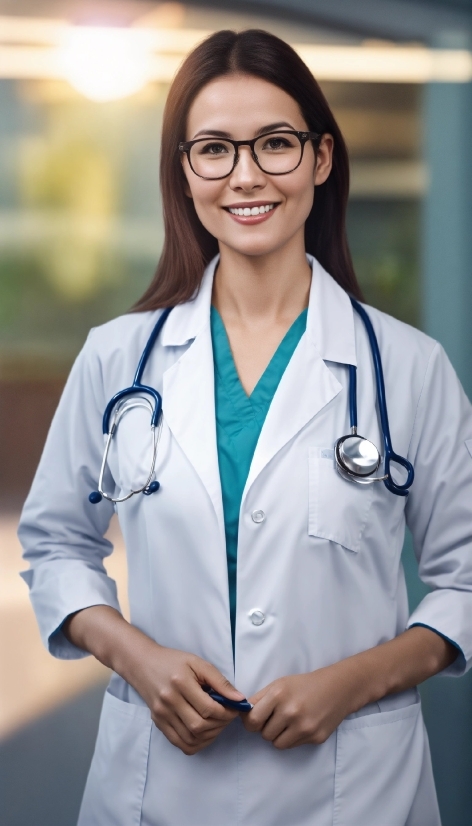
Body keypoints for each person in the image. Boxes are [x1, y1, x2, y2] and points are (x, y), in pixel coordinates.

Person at [18, 29, 472, 826]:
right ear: (185, 173)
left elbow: (467, 577)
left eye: (275, 144)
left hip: (353, 789)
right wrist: (137, 657)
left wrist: (354, 681)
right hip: (154, 788)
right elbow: (57, 544)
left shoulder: (409, 367)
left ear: (322, 159)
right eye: (215, 150)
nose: (247, 176)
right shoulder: (118, 358)